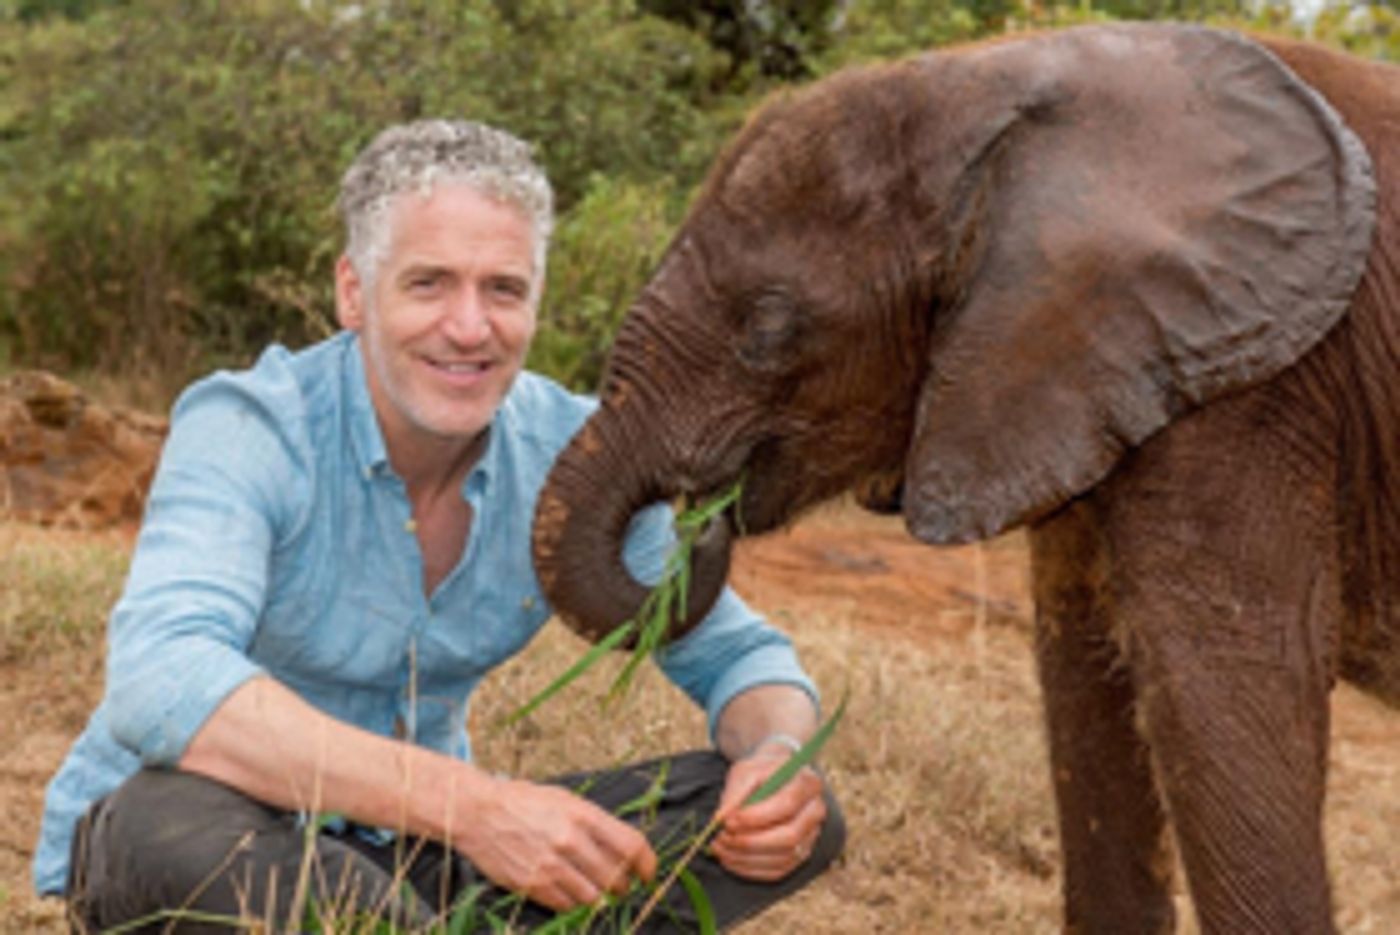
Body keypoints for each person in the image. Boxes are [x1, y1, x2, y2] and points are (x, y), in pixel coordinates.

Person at [32, 119, 842, 932]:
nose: (469, 326)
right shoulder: (249, 425)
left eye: (503, 289)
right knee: (164, 821)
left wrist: (773, 758)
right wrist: (476, 809)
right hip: (212, 842)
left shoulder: (579, 454)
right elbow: (160, 679)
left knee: (794, 818)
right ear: (354, 292)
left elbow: (741, 658)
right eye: (428, 284)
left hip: (416, 857)